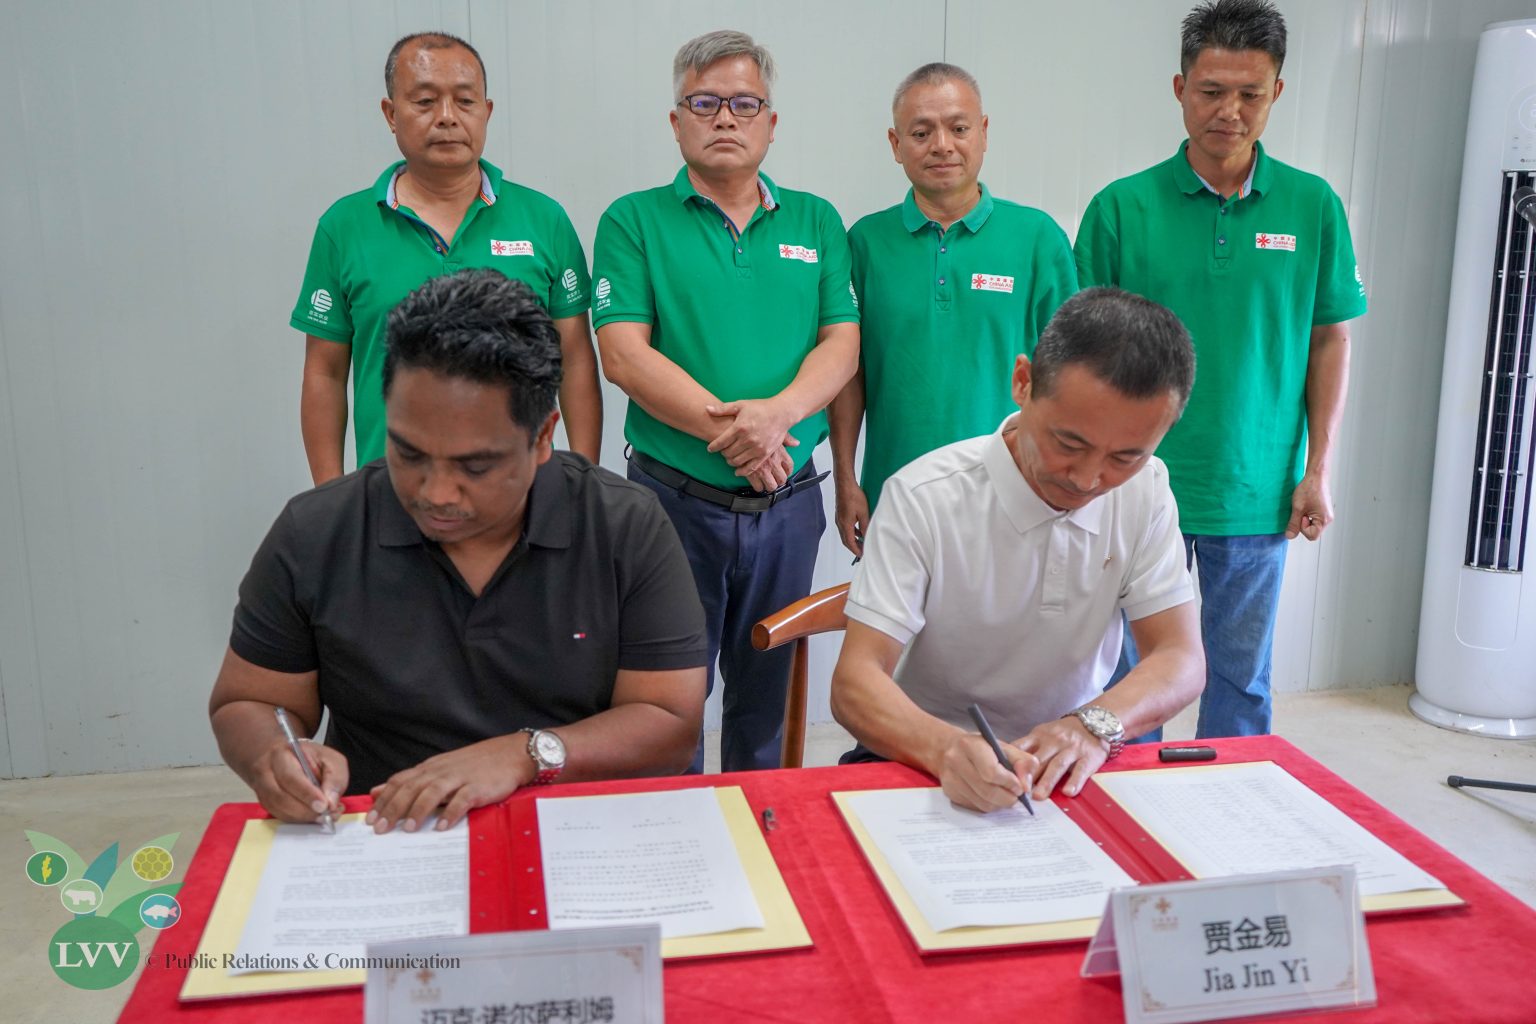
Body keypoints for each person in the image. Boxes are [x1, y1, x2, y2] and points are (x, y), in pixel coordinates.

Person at [212, 270, 707, 832]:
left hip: (575, 828)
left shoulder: (623, 527)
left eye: (475, 466)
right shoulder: (317, 532)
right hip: (385, 831)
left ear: (543, 436)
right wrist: (274, 755)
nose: (436, 493)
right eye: (409, 454)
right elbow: (249, 702)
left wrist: (524, 755)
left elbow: (669, 724)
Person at [1074, 0, 1366, 738]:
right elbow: (1083, 357)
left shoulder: (1312, 206)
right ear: (1180, 89)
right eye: (1211, 91)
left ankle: (1234, 805)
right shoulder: (1121, 209)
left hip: (1256, 486)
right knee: (1124, 682)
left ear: (1277, 93)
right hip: (1135, 487)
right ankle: (1126, 800)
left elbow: (1329, 340)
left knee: (1241, 679)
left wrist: (1318, 469)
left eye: (1250, 94)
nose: (1229, 112)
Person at [592, 30, 860, 772]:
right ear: (676, 121)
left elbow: (842, 344)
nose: (724, 118)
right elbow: (623, 354)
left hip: (789, 506)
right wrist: (743, 435)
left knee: (766, 698)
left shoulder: (816, 221)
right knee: (666, 698)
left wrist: (777, 418)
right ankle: (674, 829)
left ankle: (760, 821)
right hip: (672, 504)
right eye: (704, 103)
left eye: (744, 104)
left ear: (771, 122)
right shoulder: (632, 221)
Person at [830, 288, 1205, 814]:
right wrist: (946, 749)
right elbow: (854, 682)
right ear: (1023, 382)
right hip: (924, 751)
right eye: (1069, 444)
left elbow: (1180, 657)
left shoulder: (1146, 490)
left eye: (1125, 457)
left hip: (1072, 756)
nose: (1087, 479)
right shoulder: (924, 496)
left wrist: (1091, 726)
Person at [292, 31, 602, 485]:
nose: (446, 117)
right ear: (391, 114)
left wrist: (583, 483)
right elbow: (325, 372)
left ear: (486, 112)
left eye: (465, 101)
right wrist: (331, 497)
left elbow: (575, 359)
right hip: (393, 488)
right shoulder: (344, 227)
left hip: (523, 490)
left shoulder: (544, 219)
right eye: (424, 101)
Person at [831, 62, 1077, 555]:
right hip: (895, 496)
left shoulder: (1037, 239)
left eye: (958, 128)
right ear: (895, 144)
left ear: (983, 133)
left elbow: (1068, 377)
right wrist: (845, 481)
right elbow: (848, 375)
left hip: (1013, 498)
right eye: (921, 132)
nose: (941, 145)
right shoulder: (865, 243)